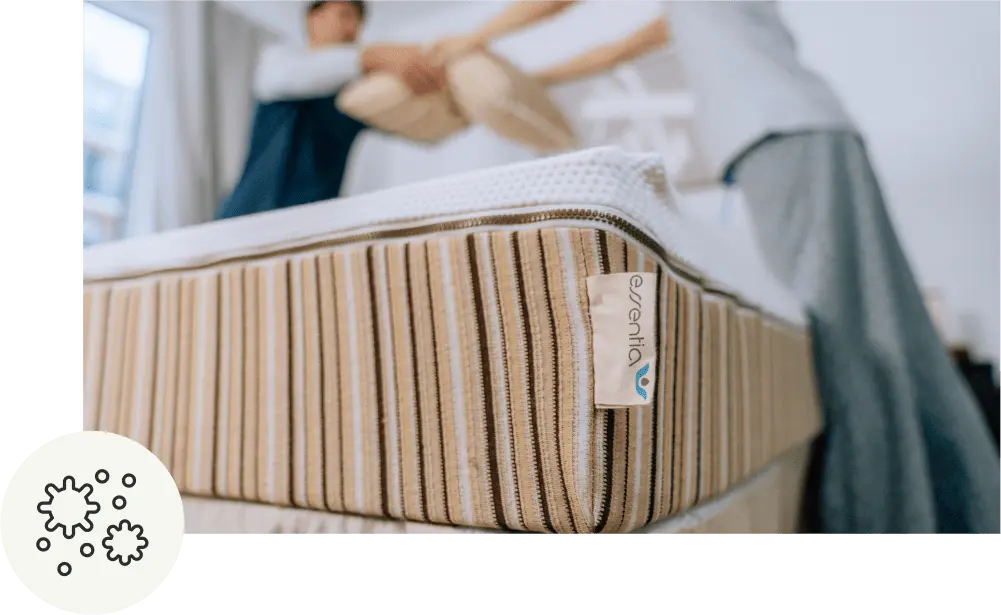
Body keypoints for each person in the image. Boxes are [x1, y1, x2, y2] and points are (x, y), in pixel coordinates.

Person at [432, 0, 1001, 534]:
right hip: (797, 131)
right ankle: (969, 507)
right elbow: (620, 48)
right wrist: (522, 83)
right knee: (889, 338)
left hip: (782, 133)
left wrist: (465, 41)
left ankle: (885, 518)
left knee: (850, 345)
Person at [217, 0, 446, 220]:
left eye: (358, 21)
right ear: (312, 19)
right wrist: (375, 56)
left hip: (311, 226)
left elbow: (420, 127)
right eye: (344, 15)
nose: (352, 28)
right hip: (247, 220)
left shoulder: (357, 94)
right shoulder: (279, 61)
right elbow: (306, 75)